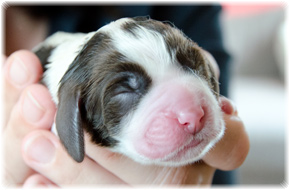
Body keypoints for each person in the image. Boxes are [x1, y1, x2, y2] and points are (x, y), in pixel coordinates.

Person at [3, 5, 250, 187]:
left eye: (191, 66)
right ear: (73, 112)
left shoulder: (182, 10)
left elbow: (223, 169)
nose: (192, 114)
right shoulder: (57, 85)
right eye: (126, 88)